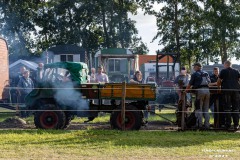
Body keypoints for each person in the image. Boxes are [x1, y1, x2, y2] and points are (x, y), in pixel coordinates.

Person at [186, 62, 211, 129]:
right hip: (207, 91)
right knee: (206, 109)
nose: (193, 68)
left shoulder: (194, 74)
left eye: (194, 66)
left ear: (197, 67)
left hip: (200, 91)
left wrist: (186, 90)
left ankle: (199, 125)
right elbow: (209, 83)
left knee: (198, 108)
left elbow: (189, 84)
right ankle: (207, 125)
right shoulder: (206, 73)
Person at [217, 60, 240, 130]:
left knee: (227, 108)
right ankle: (236, 125)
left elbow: (219, 81)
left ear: (226, 64)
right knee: (236, 108)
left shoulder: (223, 71)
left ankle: (228, 124)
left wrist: (219, 88)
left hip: (227, 91)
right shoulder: (236, 71)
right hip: (236, 91)